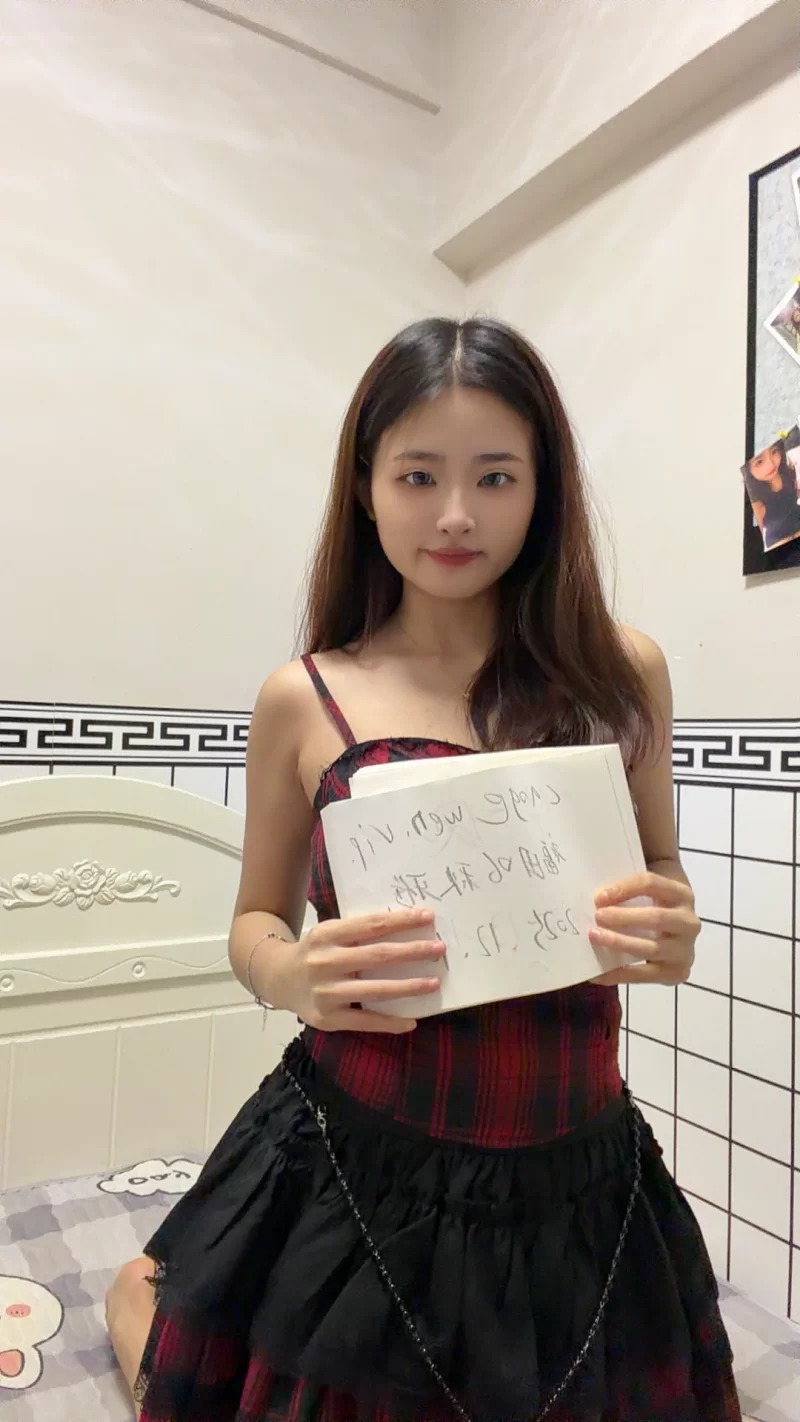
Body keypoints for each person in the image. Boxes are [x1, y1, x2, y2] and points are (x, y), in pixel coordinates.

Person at [106, 316, 740, 1422]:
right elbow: (254, 922)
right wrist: (291, 974)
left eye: (495, 476)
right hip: (352, 1162)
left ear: (541, 491)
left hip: (579, 1172)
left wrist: (671, 929)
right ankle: (140, 1299)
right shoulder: (303, 696)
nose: (455, 514)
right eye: (417, 476)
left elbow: (662, 874)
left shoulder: (621, 672)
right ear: (366, 489)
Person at [743, 440, 800, 551]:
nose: (771, 464)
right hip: (780, 539)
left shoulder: (788, 472)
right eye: (759, 462)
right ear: (747, 471)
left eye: (774, 451)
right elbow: (763, 540)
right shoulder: (755, 499)